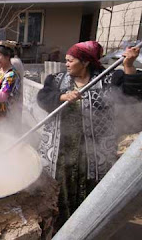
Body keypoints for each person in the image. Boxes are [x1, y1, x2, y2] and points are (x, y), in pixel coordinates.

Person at [36, 41, 142, 231]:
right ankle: (61, 229)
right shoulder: (57, 80)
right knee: (60, 191)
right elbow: (43, 97)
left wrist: (128, 66)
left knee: (92, 192)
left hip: (93, 151)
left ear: (85, 62)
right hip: (61, 150)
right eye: (66, 60)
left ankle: (86, 228)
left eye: (70, 60)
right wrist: (62, 97)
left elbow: (133, 94)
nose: (66, 64)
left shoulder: (109, 78)